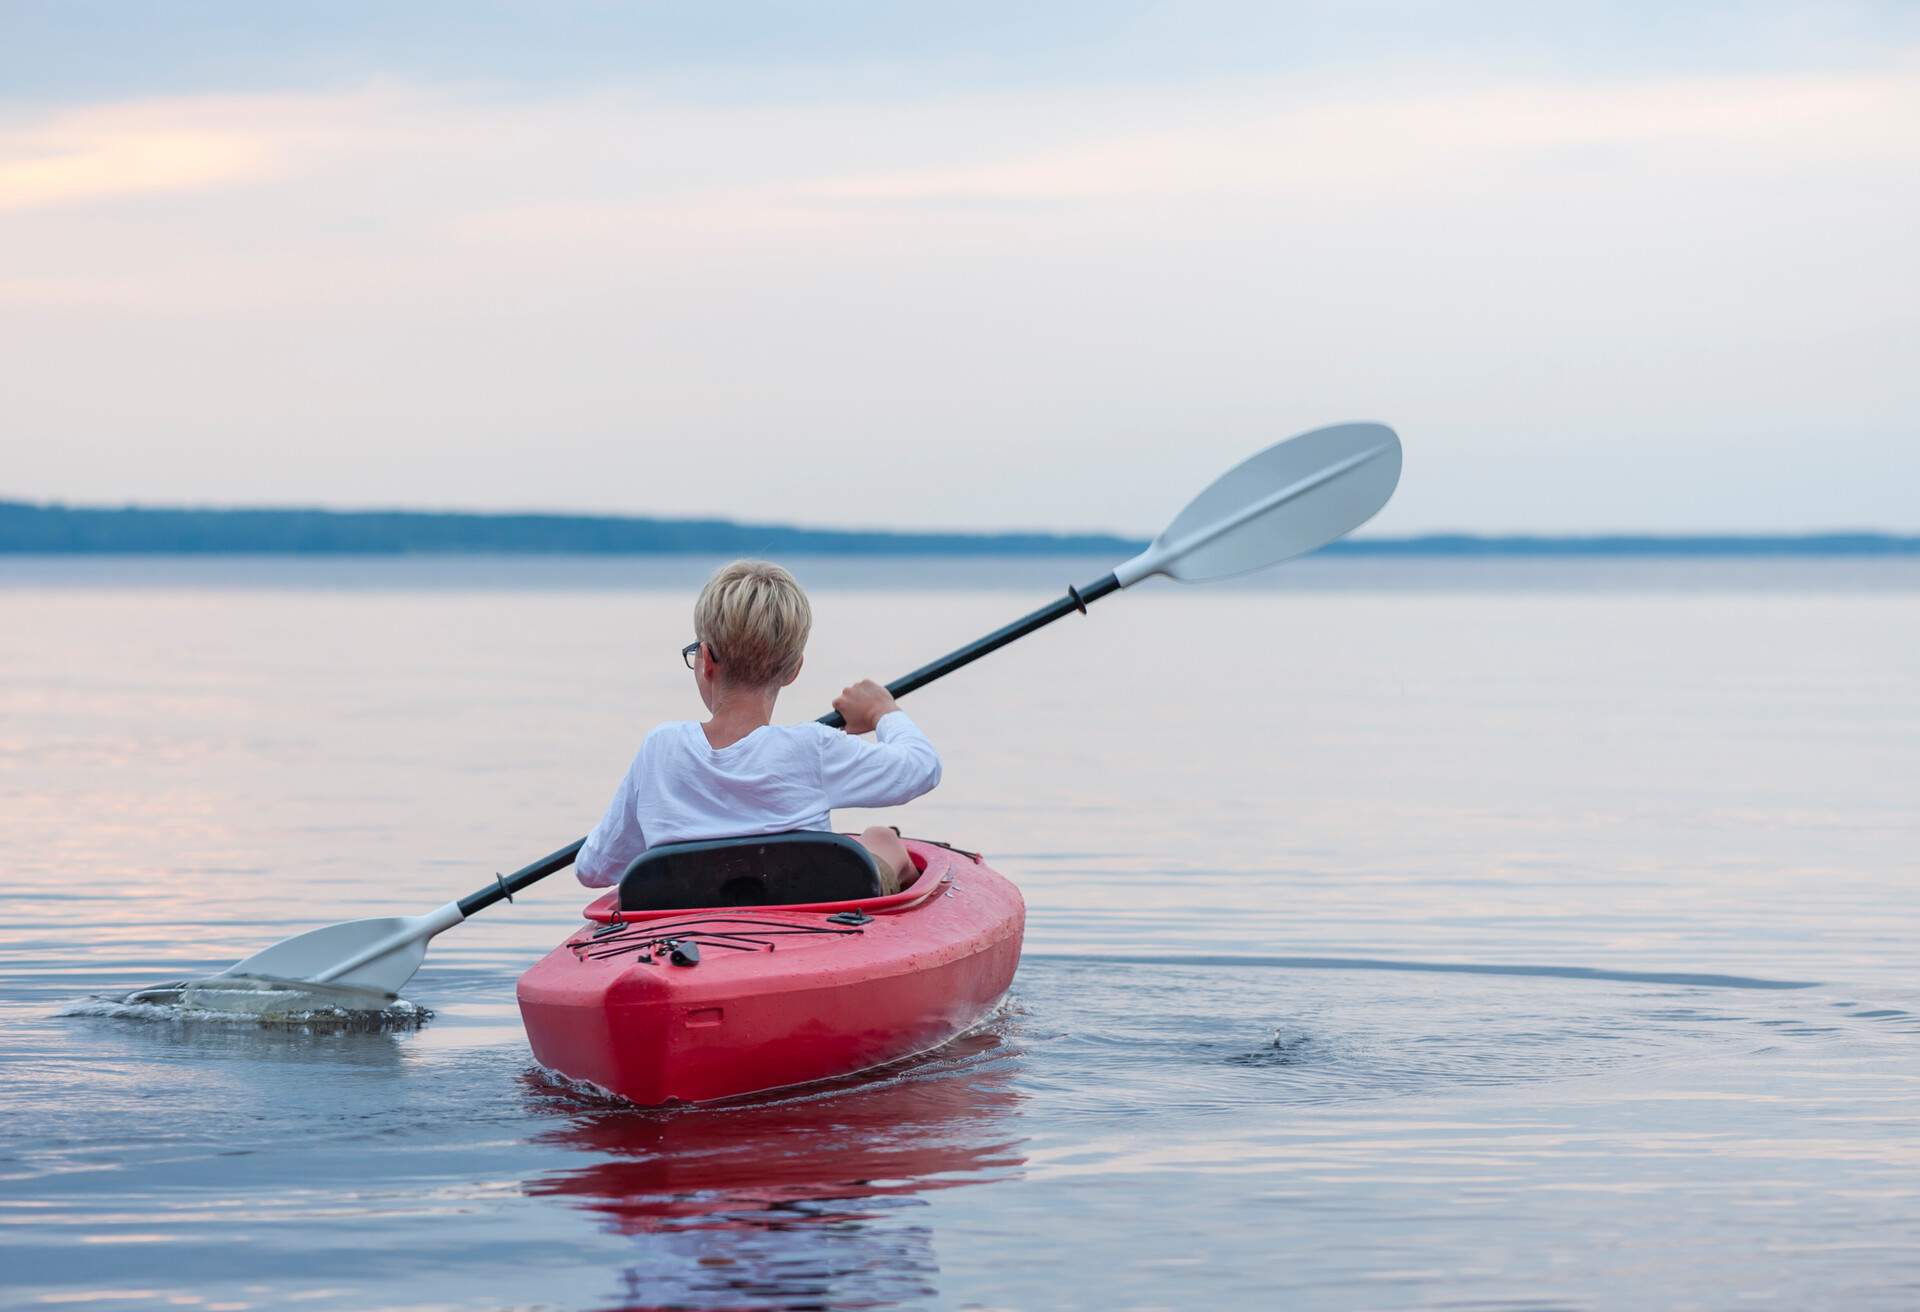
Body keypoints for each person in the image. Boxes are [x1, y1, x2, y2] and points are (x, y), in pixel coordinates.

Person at [573, 559, 940, 894]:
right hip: (799, 919)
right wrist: (882, 712)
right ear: (794, 669)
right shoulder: (812, 747)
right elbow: (922, 768)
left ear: (706, 659)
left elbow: (593, 870)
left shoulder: (660, 748)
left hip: (686, 923)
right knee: (879, 838)